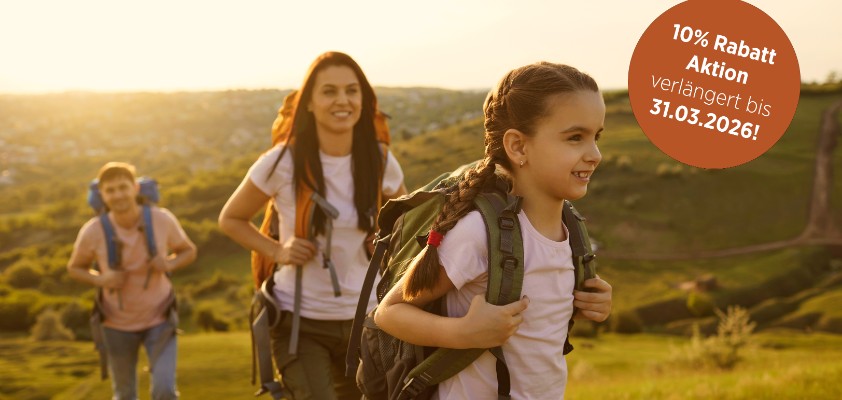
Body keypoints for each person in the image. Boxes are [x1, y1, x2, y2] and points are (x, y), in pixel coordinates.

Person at [374, 62, 613, 399]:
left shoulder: (571, 230)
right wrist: (463, 333)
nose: (595, 154)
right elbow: (389, 312)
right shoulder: (479, 233)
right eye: (575, 138)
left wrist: (593, 303)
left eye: (596, 137)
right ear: (518, 147)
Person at [219, 51, 407, 400]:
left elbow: (407, 223)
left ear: (364, 100)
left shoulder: (380, 159)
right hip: (300, 322)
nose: (342, 100)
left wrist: (387, 239)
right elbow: (231, 218)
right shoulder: (283, 161)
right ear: (308, 102)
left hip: (369, 320)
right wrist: (278, 251)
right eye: (329, 91)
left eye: (352, 91)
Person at [67, 162, 197, 400]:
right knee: (124, 395)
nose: (118, 195)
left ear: (135, 188)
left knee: (165, 391)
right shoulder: (92, 231)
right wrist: (102, 279)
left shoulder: (161, 219)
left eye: (123, 187)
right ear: (102, 195)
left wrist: (168, 264)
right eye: (110, 190)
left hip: (160, 318)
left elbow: (188, 251)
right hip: (115, 324)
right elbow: (75, 268)